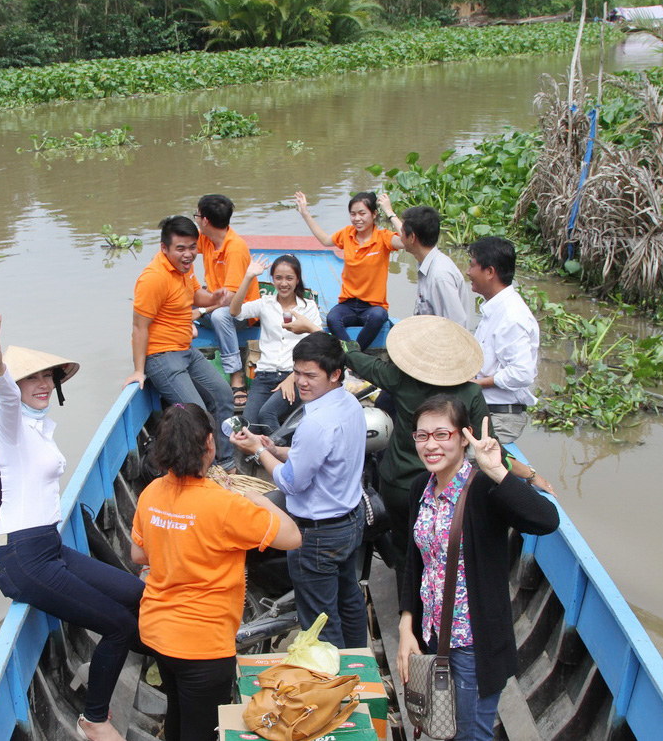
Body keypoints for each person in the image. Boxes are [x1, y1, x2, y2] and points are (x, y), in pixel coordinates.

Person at [0, 313, 144, 741]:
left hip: (47, 548)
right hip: (26, 559)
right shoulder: (10, 428)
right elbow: (8, 399)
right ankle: (94, 720)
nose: (45, 384)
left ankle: (169, 657)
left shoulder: (38, 429)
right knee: (118, 624)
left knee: (138, 595)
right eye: (33, 379)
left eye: (49, 376)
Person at [343, 316, 554, 594]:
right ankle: (437, 608)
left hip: (396, 485)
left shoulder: (400, 379)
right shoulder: (470, 392)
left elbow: (356, 359)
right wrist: (530, 474)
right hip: (441, 492)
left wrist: (340, 342)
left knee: (406, 551)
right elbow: (490, 449)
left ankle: (409, 615)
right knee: (441, 554)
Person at [131, 403, 300, 741]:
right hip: (204, 646)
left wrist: (174, 540)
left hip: (158, 635)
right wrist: (259, 499)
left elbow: (138, 553)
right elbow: (292, 537)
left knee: (178, 715)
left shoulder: (151, 494)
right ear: (209, 444)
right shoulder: (225, 504)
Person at [397, 396, 559, 741]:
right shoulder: (420, 488)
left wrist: (498, 470)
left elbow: (546, 521)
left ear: (463, 436)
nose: (431, 445)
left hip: (472, 644)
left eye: (442, 434)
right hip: (430, 637)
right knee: (442, 726)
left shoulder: (484, 487)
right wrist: (406, 627)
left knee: (470, 734)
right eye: (422, 436)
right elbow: (415, 563)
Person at [229, 332, 368, 648]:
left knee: (320, 622)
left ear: (335, 374)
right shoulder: (348, 403)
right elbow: (327, 457)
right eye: (298, 373)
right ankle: (360, 663)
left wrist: (257, 451)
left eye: (311, 375)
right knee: (349, 599)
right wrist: (276, 450)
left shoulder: (315, 424)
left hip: (317, 536)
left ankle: (332, 683)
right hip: (350, 521)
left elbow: (291, 482)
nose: (302, 382)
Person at [123, 215, 236, 470]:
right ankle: (199, 469)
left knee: (223, 395)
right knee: (197, 415)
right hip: (162, 357)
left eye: (192, 247)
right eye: (180, 249)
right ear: (164, 248)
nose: (188, 254)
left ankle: (225, 462)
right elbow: (139, 327)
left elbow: (196, 295)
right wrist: (139, 371)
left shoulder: (185, 269)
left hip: (186, 350)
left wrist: (215, 297)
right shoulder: (153, 278)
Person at [295, 189, 404, 349]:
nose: (357, 219)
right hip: (349, 305)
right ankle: (353, 355)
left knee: (379, 316)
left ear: (374, 214)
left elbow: (406, 241)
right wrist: (305, 213)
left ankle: (352, 355)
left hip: (372, 307)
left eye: (362, 213)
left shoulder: (383, 238)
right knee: (332, 319)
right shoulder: (348, 234)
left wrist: (389, 211)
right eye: (353, 214)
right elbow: (325, 240)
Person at [229, 254, 321, 434]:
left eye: (289, 278)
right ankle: (268, 457)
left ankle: (287, 456)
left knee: (267, 414)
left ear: (297, 279)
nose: (283, 283)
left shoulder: (308, 307)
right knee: (248, 425)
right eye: (278, 278)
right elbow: (234, 311)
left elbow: (321, 342)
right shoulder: (265, 304)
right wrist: (248, 277)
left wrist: (293, 377)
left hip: (294, 375)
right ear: (272, 279)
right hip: (264, 375)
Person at [467, 236, 540, 445]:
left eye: (472, 266)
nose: (468, 272)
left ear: (490, 272)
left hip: (500, 417)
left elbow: (522, 373)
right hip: (482, 410)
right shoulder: (494, 309)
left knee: (467, 468)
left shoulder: (512, 317)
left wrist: (478, 384)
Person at [194, 194, 257, 405]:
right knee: (175, 296)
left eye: (197, 215)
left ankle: (236, 376)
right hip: (214, 301)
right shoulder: (207, 239)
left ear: (205, 221)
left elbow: (230, 301)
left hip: (239, 312)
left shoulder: (235, 249)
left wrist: (201, 311)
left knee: (220, 316)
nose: (196, 219)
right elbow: (184, 246)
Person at [377, 195, 470, 327]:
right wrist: (390, 213)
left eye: (402, 233)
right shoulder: (428, 264)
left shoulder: (440, 275)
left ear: (412, 237)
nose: (400, 237)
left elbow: (457, 325)